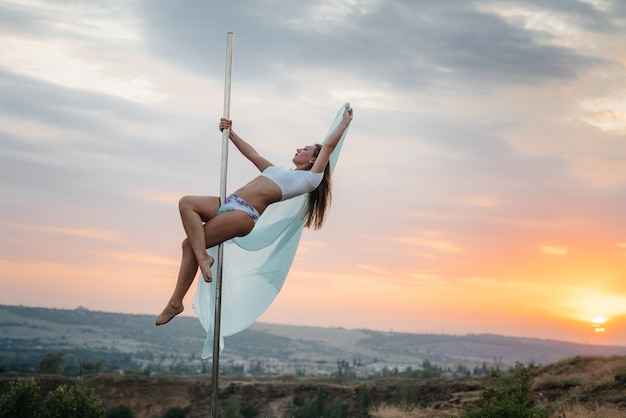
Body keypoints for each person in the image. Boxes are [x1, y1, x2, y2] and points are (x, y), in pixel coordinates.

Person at [156, 107, 353, 325]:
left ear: (313, 160)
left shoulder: (308, 180)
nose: (298, 149)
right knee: (187, 206)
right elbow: (252, 154)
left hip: (243, 214)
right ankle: (194, 269)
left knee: (190, 245)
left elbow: (328, 146)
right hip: (229, 202)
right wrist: (230, 133)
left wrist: (344, 124)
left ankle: (181, 292)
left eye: (305, 149)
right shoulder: (276, 170)